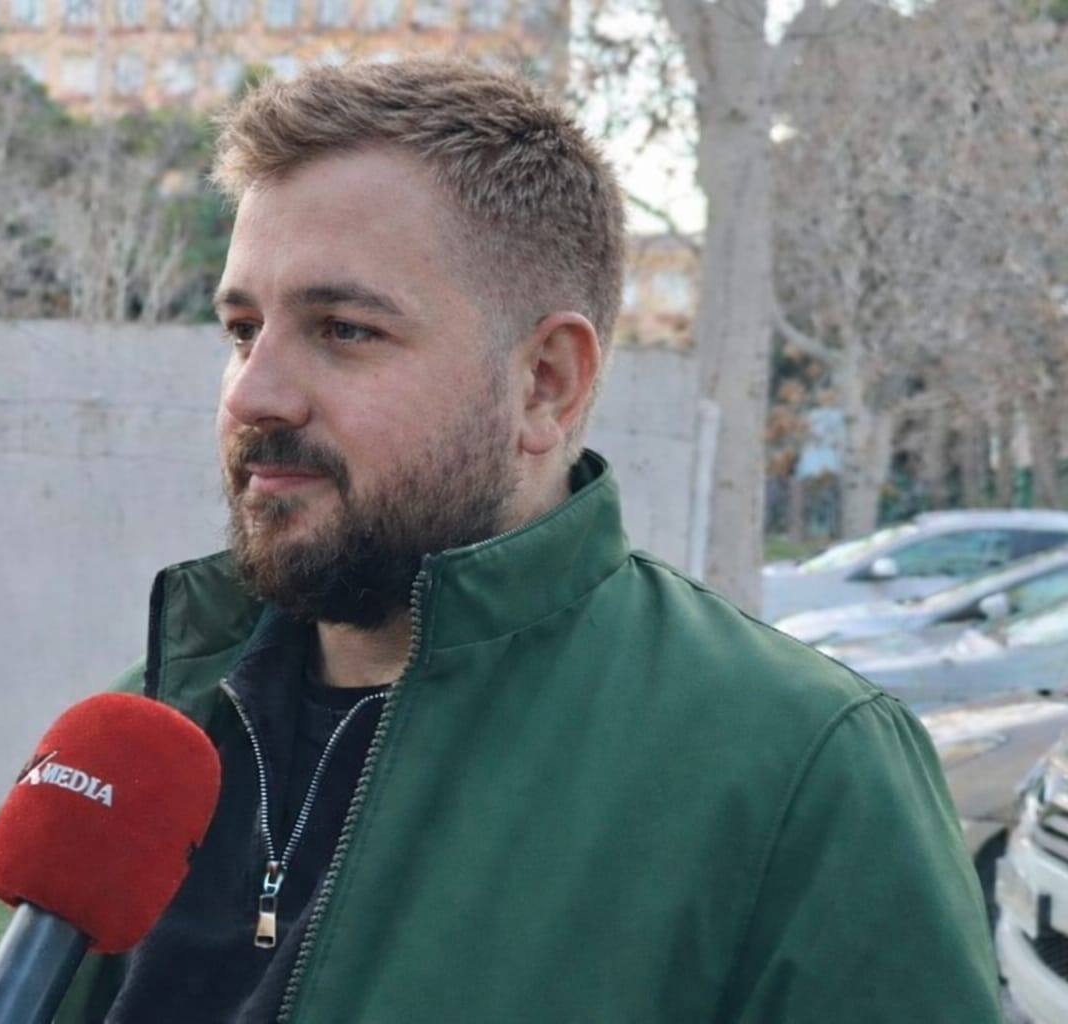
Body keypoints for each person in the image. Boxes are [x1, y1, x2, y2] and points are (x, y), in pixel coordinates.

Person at [55, 58, 1003, 1023]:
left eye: (342, 329)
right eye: (241, 329)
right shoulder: (158, 721)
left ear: (546, 381)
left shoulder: (805, 772)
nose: (253, 394)